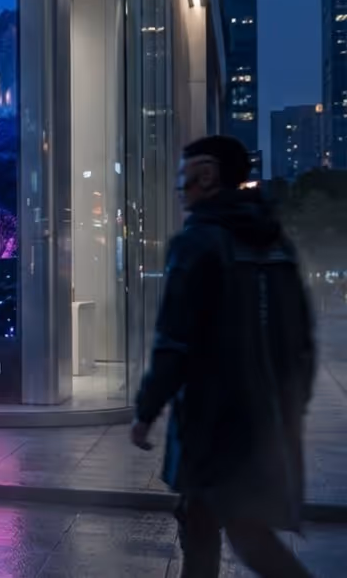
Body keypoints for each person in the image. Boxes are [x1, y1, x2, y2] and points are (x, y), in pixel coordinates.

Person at [131, 135, 316, 578]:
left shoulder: (198, 243)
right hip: (265, 418)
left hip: (212, 422)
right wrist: (292, 404)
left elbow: (174, 340)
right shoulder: (276, 244)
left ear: (208, 176)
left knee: (233, 531)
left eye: (185, 175)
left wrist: (146, 411)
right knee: (213, 521)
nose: (180, 187)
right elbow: (302, 341)